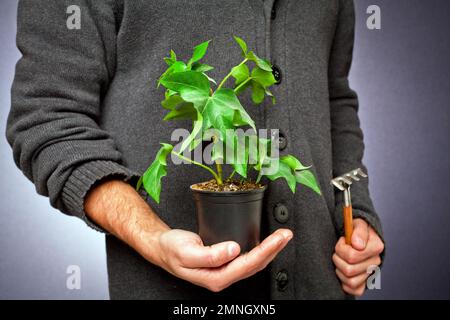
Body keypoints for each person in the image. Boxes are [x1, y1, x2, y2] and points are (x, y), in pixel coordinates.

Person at [6, 0, 384, 299]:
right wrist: (152, 237)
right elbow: (47, 117)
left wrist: (356, 213)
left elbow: (334, 101)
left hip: (322, 285)